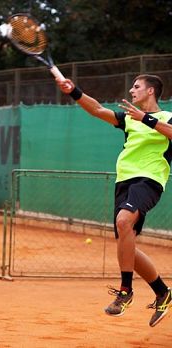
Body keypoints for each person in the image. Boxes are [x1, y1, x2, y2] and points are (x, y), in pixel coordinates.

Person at [56, 74, 172, 327]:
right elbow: (97, 109)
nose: (131, 90)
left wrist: (147, 119)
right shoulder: (130, 118)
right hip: (124, 181)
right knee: (126, 240)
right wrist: (74, 90)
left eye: (137, 86)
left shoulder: (166, 117)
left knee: (123, 221)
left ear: (151, 91)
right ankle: (163, 292)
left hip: (149, 179)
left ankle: (125, 291)